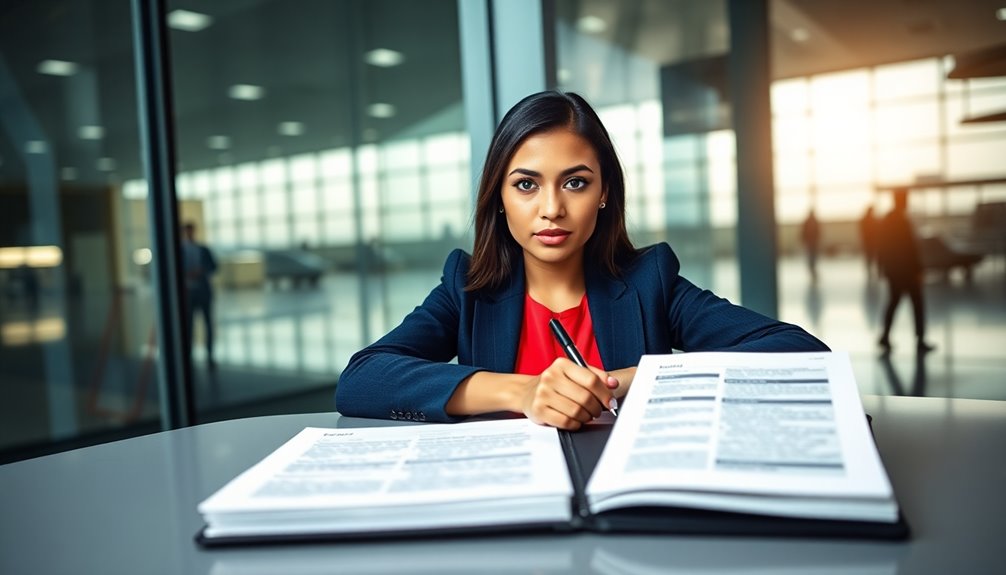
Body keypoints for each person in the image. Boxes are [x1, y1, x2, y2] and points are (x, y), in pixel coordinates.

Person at [337, 91, 828, 430]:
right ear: (499, 197)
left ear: (603, 193)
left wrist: (620, 385)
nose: (551, 208)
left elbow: (800, 352)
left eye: (575, 182)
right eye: (526, 184)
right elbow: (362, 381)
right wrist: (521, 392)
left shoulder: (649, 281)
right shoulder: (465, 286)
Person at [875, 188, 934, 354]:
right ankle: (919, 339)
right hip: (906, 272)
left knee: (894, 303)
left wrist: (882, 268)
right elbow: (909, 249)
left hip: (895, 271)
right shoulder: (901, 220)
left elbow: (882, 247)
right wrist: (918, 269)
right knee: (917, 304)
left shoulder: (888, 219)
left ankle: (885, 336)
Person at [181, 221, 218, 369]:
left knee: (208, 324)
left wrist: (201, 271)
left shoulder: (202, 249)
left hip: (203, 292)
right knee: (188, 326)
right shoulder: (179, 250)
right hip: (188, 293)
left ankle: (210, 355)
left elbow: (213, 267)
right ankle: (188, 356)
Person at [800, 208, 821, 283]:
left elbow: (818, 231)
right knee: (811, 256)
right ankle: (812, 269)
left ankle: (812, 268)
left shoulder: (812, 221)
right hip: (810, 242)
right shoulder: (810, 221)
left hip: (812, 242)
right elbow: (804, 231)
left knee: (813, 256)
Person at [859, 205, 877, 279]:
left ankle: (869, 270)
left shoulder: (864, 219)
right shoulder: (871, 220)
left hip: (868, 241)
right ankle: (870, 270)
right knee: (870, 256)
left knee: (869, 256)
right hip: (870, 241)